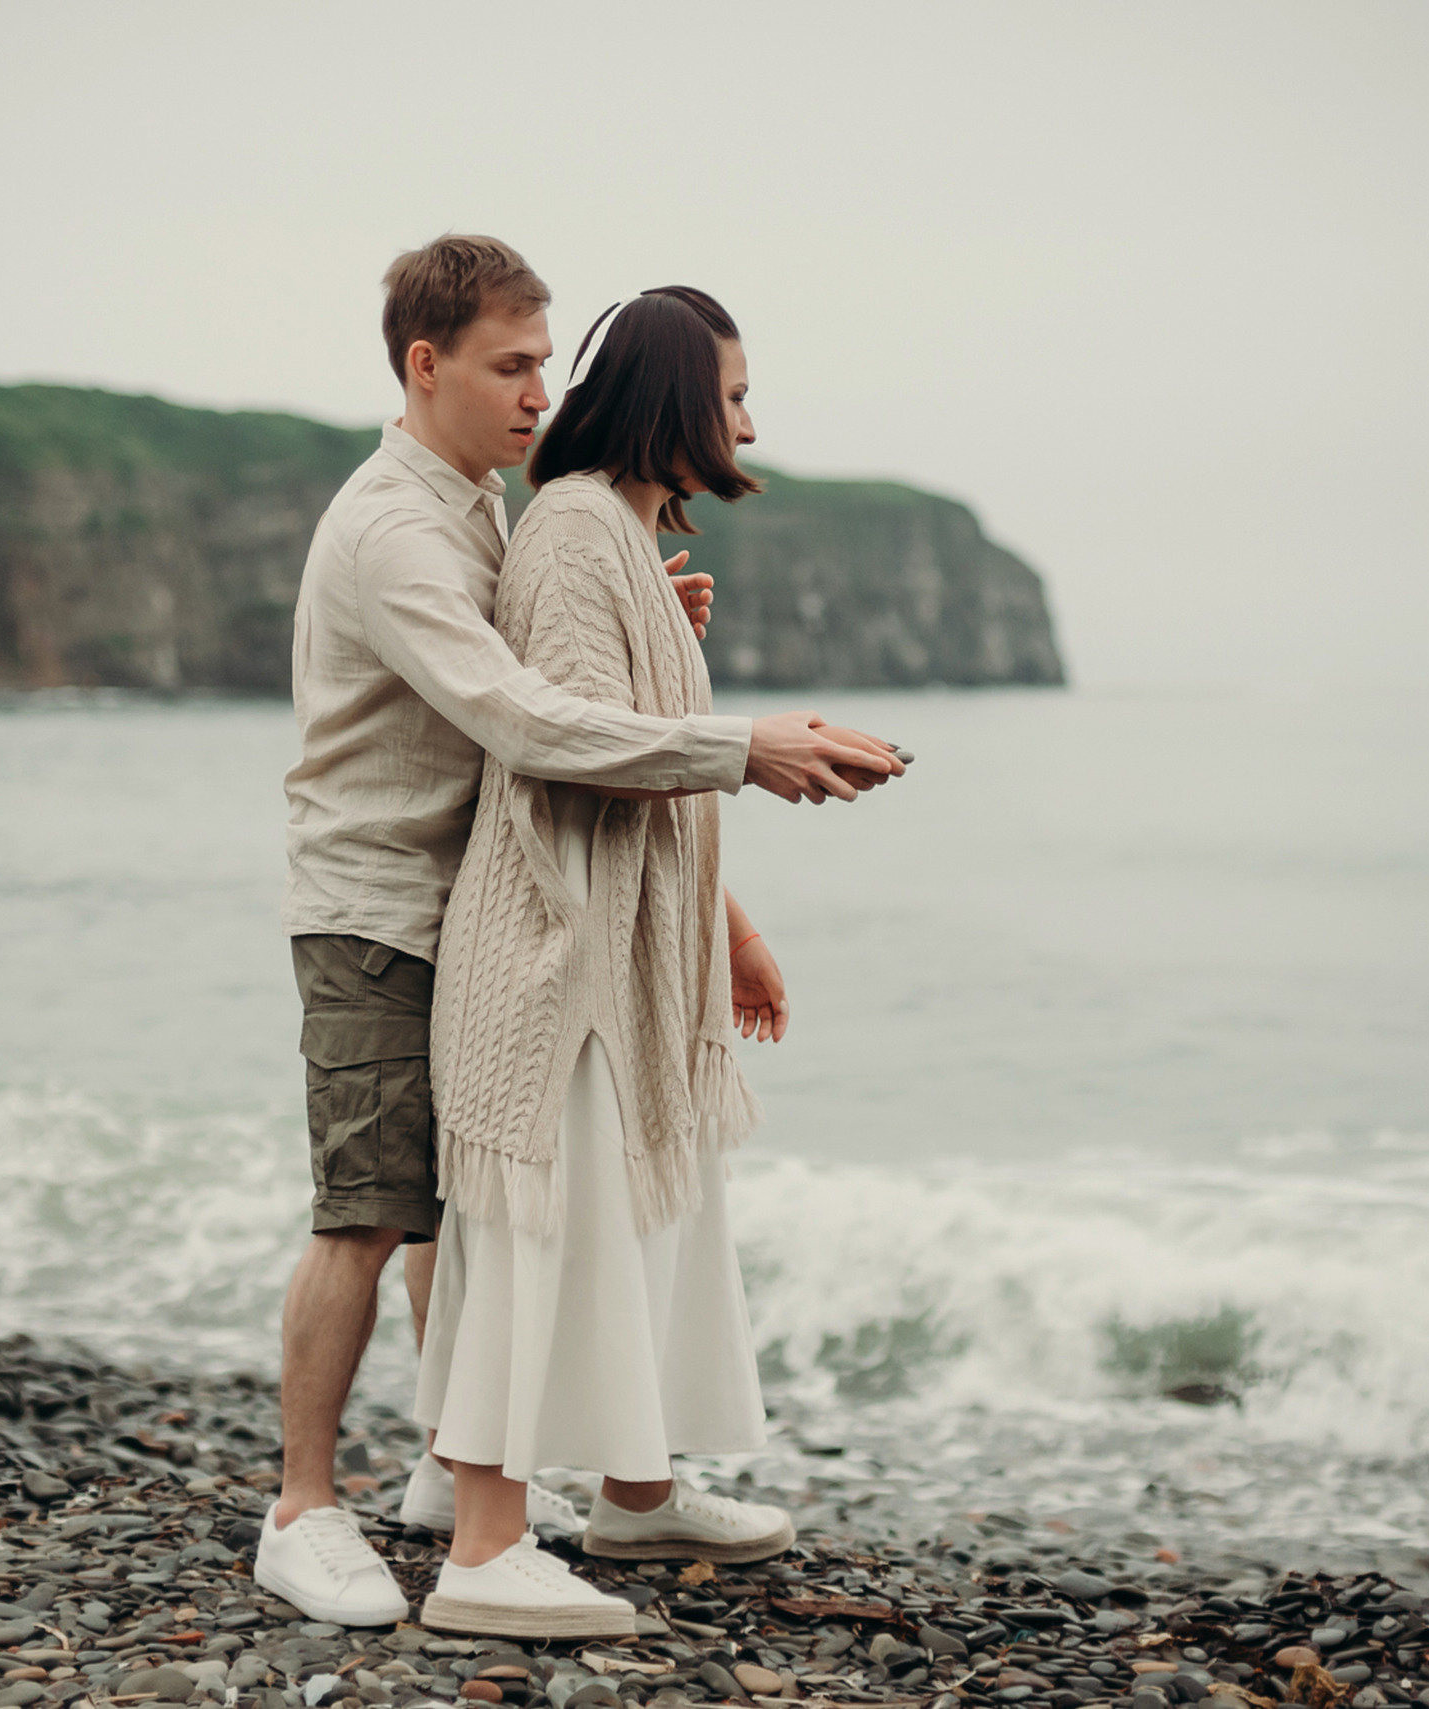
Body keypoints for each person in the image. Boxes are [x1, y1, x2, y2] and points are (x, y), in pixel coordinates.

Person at [258, 237, 903, 1629]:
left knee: (475, 1212)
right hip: (383, 901)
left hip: (496, 891)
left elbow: (561, 667)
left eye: (547, 360)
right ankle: (308, 1506)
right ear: (423, 365)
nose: (540, 390)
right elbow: (521, 717)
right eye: (510, 363)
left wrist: (648, 631)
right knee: (378, 1211)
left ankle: (478, 1486)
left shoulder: (495, 508)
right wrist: (740, 744)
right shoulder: (395, 527)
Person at [413, 286, 869, 1640]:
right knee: (546, 1232)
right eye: (729, 395)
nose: (746, 420)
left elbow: (627, 733)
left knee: (649, 1221)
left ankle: (637, 1488)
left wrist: (729, 929)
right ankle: (485, 1552)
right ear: (674, 399)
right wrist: (749, 742)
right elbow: (556, 741)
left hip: (629, 952)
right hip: (557, 963)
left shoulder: (614, 536)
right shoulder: (566, 533)